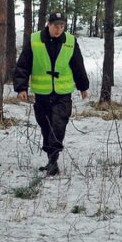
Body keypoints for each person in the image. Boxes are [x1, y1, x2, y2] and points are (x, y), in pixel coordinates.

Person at [13, 12, 90, 176]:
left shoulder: (70, 42)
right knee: (45, 125)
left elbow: (78, 65)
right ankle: (51, 158)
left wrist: (83, 87)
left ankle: (53, 160)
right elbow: (23, 64)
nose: (58, 30)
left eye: (62, 26)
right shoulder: (34, 40)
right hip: (42, 93)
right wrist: (21, 87)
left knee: (58, 124)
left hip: (63, 92)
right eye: (56, 26)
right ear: (48, 23)